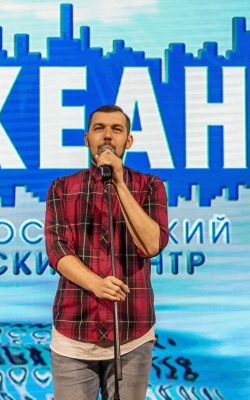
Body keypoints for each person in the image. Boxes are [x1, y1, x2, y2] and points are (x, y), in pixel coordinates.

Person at [44, 105, 169, 399]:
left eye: (117, 129)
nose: (108, 135)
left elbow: (151, 245)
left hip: (132, 333)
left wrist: (120, 184)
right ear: (87, 138)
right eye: (99, 128)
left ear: (129, 140)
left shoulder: (150, 186)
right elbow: (57, 249)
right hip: (74, 333)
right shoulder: (62, 187)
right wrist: (96, 285)